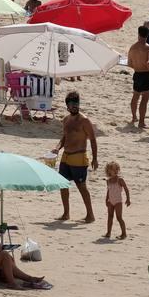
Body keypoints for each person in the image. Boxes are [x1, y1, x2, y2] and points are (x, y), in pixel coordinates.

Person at [53, 91, 98, 223]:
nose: (74, 107)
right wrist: (57, 147)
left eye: (76, 104)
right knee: (63, 185)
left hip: (79, 157)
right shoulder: (66, 120)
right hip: (66, 157)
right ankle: (66, 213)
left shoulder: (84, 120)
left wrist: (95, 158)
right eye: (71, 104)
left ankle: (90, 215)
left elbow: (93, 140)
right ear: (67, 106)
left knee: (81, 186)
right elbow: (65, 137)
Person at [127, 26, 149, 128]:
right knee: (144, 99)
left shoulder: (132, 47)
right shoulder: (148, 48)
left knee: (135, 96)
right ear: (147, 35)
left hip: (137, 73)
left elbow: (129, 64)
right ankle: (141, 122)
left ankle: (134, 117)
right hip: (146, 74)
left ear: (138, 34)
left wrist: (137, 66)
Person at [103, 161, 130, 239]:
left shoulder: (120, 180)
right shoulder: (108, 181)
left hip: (118, 201)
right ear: (108, 171)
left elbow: (126, 189)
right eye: (112, 169)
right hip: (110, 201)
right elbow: (108, 191)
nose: (115, 171)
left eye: (116, 169)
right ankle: (108, 233)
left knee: (119, 218)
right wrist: (106, 200)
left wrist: (128, 199)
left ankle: (124, 233)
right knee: (110, 217)